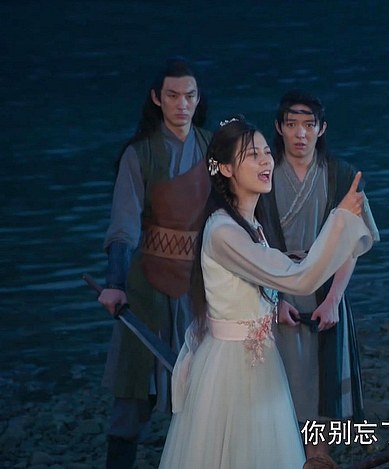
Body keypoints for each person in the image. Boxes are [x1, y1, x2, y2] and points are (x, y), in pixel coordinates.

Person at [158, 116, 373, 468]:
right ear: (226, 168)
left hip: (260, 359)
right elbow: (297, 277)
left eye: (265, 153)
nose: (265, 161)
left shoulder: (250, 224)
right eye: (252, 155)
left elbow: (272, 281)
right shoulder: (224, 232)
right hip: (232, 366)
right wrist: (341, 220)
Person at [97, 56, 211, 469]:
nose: (182, 104)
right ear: (157, 98)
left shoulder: (213, 148)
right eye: (173, 95)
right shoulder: (139, 153)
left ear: (198, 98)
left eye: (189, 96)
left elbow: (233, 213)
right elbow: (123, 224)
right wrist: (116, 284)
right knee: (133, 394)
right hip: (146, 284)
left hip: (201, 286)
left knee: (207, 389)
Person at [255, 90, 380, 459]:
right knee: (276, 389)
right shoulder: (261, 175)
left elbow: (352, 243)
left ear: (321, 129)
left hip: (326, 288)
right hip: (276, 286)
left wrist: (334, 299)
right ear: (279, 127)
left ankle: (318, 459)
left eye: (309, 125)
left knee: (322, 390)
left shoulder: (341, 175)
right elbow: (251, 243)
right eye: (292, 124)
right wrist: (273, 298)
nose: (300, 133)